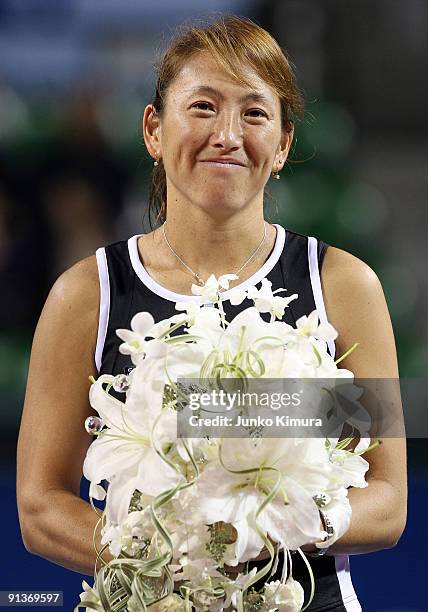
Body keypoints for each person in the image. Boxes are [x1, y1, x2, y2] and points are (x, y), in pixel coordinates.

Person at [17, 15, 407, 611]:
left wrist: (272, 528)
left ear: (282, 145)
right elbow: (41, 505)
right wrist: (170, 551)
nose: (227, 134)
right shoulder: (85, 295)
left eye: (254, 113)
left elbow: (387, 497)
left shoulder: (344, 285)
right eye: (202, 107)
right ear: (153, 129)